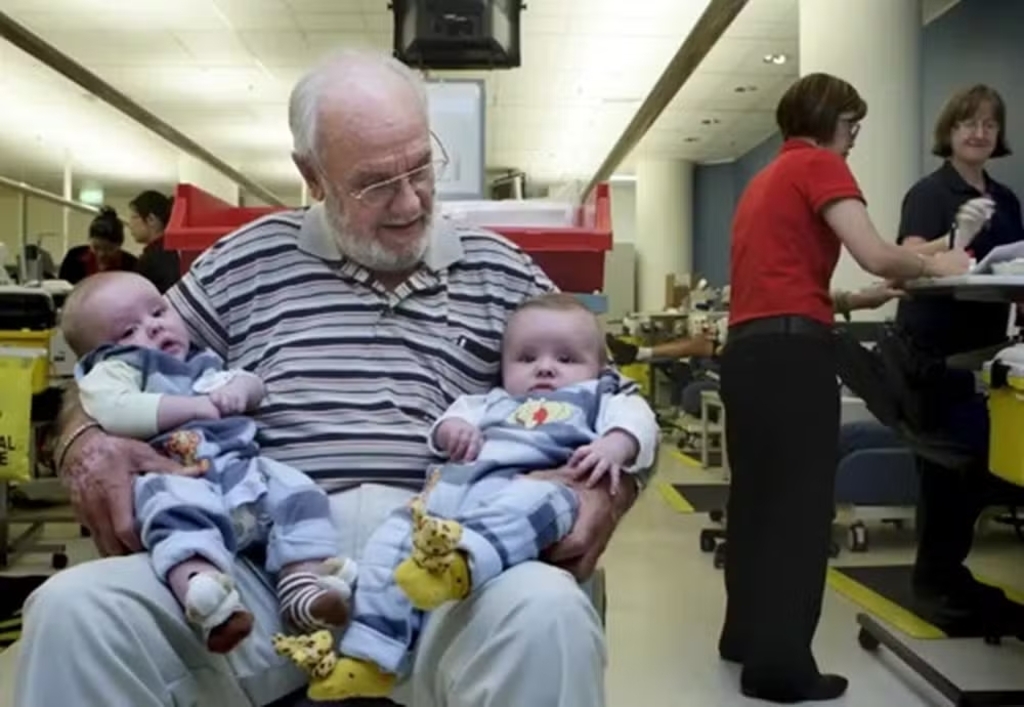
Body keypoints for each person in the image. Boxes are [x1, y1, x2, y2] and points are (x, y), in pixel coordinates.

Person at [15, 49, 642, 707]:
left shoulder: (503, 272)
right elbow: (115, 368)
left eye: (422, 167)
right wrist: (87, 441)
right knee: (72, 610)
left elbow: (613, 398)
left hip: (443, 569)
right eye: (374, 183)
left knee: (549, 611)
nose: (409, 201)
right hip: (262, 566)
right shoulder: (245, 260)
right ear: (311, 174)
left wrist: (608, 488)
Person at [718, 72, 971, 704]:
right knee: (800, 511)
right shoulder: (820, 166)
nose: (856, 135)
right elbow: (877, 253)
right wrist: (935, 263)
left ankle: (745, 637)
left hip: (749, 353)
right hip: (791, 357)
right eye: (852, 122)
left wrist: (859, 298)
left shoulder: (764, 180)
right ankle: (780, 668)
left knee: (756, 501)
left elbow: (788, 276)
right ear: (829, 118)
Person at [273, 293, 658, 701]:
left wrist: (615, 448)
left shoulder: (602, 397)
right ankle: (370, 660)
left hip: (537, 489)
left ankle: (461, 566)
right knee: (391, 544)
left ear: (599, 368)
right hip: (443, 499)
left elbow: (639, 421)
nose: (545, 367)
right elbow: (450, 420)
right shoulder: (489, 403)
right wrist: (452, 431)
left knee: (533, 553)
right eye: (527, 359)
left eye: (566, 360)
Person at [60, 271, 357, 654]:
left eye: (157, 312)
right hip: (175, 468)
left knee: (296, 492)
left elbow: (249, 381)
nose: (152, 329)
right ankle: (205, 595)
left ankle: (302, 585)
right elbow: (115, 409)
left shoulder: (199, 361)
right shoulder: (119, 368)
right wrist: (194, 406)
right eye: (127, 331)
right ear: (100, 351)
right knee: (177, 513)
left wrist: (240, 389)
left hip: (241, 469)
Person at [893, 84, 1024, 633]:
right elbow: (905, 262)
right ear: (948, 131)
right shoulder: (930, 192)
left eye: (989, 125)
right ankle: (936, 580)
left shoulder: (1009, 200)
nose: (979, 132)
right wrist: (957, 239)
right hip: (935, 354)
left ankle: (948, 574)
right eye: (968, 122)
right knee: (948, 470)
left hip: (988, 353)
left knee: (978, 468)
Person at [57, 206, 139, 284]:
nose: (101, 254)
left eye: (108, 249)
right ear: (89, 240)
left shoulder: (131, 265)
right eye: (96, 247)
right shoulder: (74, 257)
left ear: (119, 245)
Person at [128, 189, 182, 293]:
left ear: (151, 219)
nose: (130, 224)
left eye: (135, 217)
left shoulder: (152, 259)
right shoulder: (172, 252)